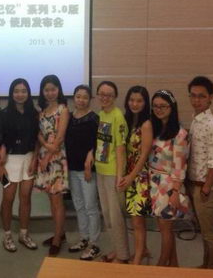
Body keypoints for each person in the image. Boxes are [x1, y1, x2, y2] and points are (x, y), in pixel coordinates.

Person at [0, 78, 39, 253]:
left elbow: (38, 139)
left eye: (23, 91)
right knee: (8, 198)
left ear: (28, 93)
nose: (20, 94)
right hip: (8, 161)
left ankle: (23, 234)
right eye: (16, 91)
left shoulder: (35, 113)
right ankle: (7, 235)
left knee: (25, 197)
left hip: (28, 158)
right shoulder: (3, 113)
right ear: (11, 93)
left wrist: (35, 159)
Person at [149, 89, 190, 267]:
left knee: (165, 229)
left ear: (172, 107)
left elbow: (179, 166)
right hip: (154, 183)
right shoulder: (155, 128)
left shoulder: (180, 134)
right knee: (164, 228)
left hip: (169, 185)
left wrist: (175, 192)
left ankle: (161, 266)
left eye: (163, 106)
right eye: (155, 106)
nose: (159, 109)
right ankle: (174, 266)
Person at [186, 76, 213, 269]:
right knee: (205, 233)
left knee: (211, 235)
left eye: (201, 96)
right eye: (193, 95)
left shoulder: (212, 125)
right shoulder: (196, 120)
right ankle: (206, 267)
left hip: (206, 188)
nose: (196, 100)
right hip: (196, 185)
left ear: (211, 97)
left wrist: (206, 188)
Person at [64, 84, 101, 261]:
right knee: (79, 205)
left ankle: (94, 244)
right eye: (78, 96)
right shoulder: (70, 117)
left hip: (87, 170)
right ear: (74, 98)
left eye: (85, 97)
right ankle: (84, 238)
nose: (81, 100)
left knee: (91, 207)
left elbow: (98, 143)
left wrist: (89, 160)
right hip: (72, 168)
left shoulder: (94, 118)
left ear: (90, 99)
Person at [95, 81, 129, 264]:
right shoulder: (100, 115)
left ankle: (123, 256)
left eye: (108, 95)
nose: (105, 98)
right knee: (107, 215)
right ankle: (116, 250)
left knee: (116, 217)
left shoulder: (118, 117)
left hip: (113, 174)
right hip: (100, 171)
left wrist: (119, 176)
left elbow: (121, 149)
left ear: (115, 97)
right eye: (101, 94)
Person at [35, 74, 70, 257]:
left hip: (56, 159)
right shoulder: (42, 111)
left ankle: (57, 239)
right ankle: (59, 233)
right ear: (43, 91)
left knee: (57, 200)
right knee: (51, 198)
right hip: (44, 157)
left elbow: (60, 137)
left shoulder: (63, 110)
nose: (50, 93)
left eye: (53, 89)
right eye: (47, 90)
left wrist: (48, 154)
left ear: (58, 90)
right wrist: (44, 149)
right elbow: (39, 134)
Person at [117, 85, 153, 265]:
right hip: (129, 174)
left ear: (145, 103)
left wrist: (131, 176)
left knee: (137, 221)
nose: (135, 104)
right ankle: (143, 249)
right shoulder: (128, 121)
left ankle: (138, 258)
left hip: (140, 177)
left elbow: (144, 155)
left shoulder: (146, 124)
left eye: (139, 101)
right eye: (131, 100)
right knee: (134, 218)